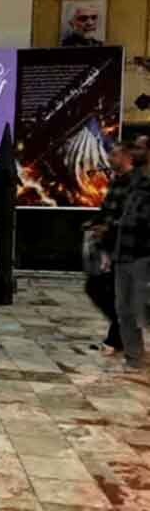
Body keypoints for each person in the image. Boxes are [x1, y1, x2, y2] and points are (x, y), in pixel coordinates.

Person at [84, 142, 132, 355]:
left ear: (126, 157)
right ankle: (119, 336)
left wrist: (109, 228)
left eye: (114, 155)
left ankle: (118, 337)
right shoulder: (117, 182)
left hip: (128, 247)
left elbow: (133, 217)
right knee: (99, 288)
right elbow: (107, 210)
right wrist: (94, 223)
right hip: (112, 246)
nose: (110, 159)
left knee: (112, 291)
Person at [110, 135, 150, 371]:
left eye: (139, 147)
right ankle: (134, 359)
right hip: (124, 252)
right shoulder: (131, 181)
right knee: (125, 309)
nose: (133, 151)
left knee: (142, 308)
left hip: (144, 254)